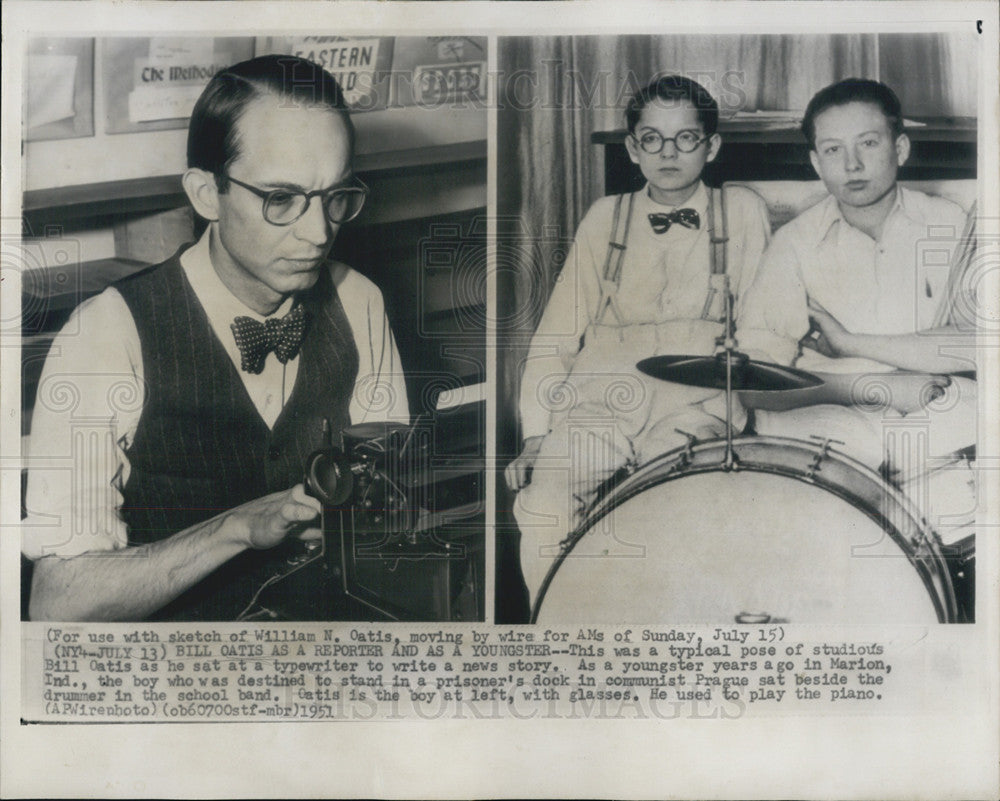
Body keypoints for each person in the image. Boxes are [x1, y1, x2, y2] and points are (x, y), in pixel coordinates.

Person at [23, 55, 409, 621]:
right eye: (281, 199)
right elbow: (59, 603)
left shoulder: (360, 301)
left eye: (335, 197)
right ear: (207, 195)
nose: (320, 231)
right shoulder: (106, 334)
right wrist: (233, 531)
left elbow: (393, 504)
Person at [505, 75, 771, 602]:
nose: (668, 153)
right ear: (632, 148)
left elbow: (766, 330)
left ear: (711, 146)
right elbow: (557, 334)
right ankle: (558, 640)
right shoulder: (605, 216)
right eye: (652, 139)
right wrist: (537, 434)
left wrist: (746, 411)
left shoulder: (742, 210)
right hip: (599, 397)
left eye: (686, 138)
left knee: (667, 509)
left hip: (694, 401)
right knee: (543, 505)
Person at [737, 78, 977, 535]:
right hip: (833, 418)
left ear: (900, 147)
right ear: (815, 162)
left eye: (868, 142)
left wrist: (851, 344)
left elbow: (977, 347)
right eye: (832, 150)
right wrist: (873, 388)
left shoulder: (949, 224)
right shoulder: (793, 245)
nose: (852, 164)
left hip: (933, 414)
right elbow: (751, 383)